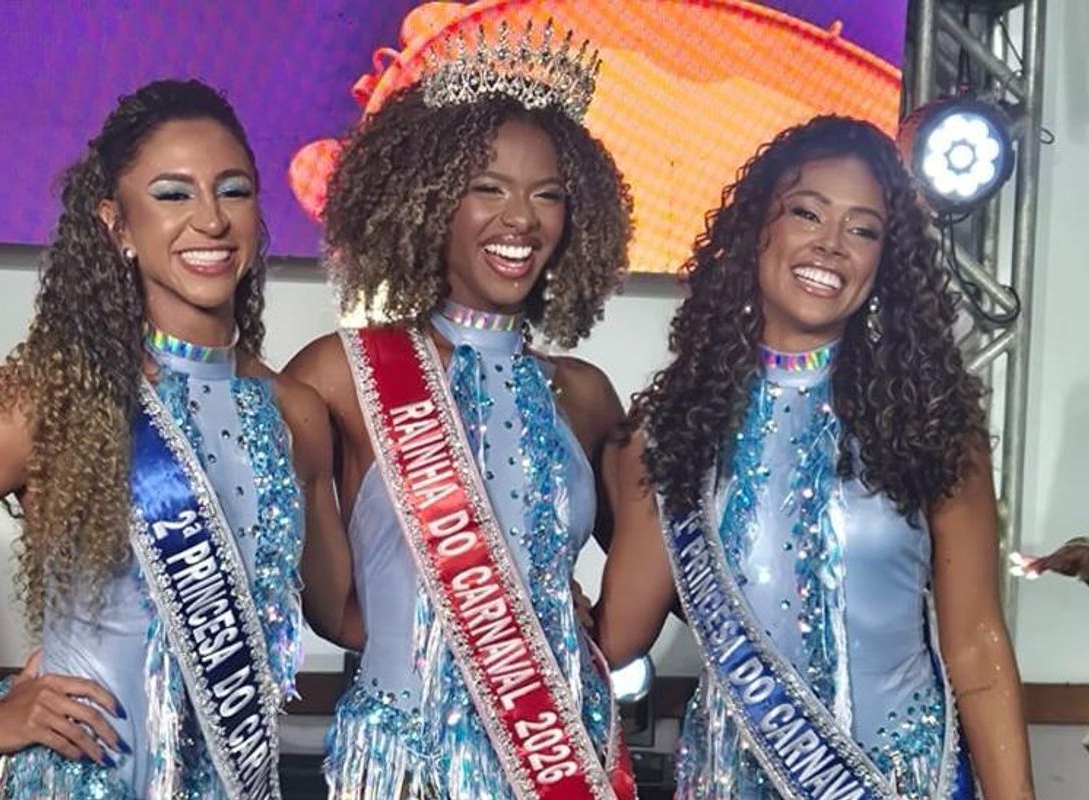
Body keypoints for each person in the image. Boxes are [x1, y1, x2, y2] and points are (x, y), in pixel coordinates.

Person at [0, 78, 333, 799]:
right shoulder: (59, 398)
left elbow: (340, 609)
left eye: (233, 190)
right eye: (172, 194)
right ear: (116, 224)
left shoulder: (296, 413)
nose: (211, 219)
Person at [595, 116, 1034, 798]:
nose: (831, 245)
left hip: (903, 779)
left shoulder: (931, 418)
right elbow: (619, 636)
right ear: (757, 231)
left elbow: (976, 648)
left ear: (886, 259)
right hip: (734, 779)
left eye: (863, 230)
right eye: (807, 213)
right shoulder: (676, 428)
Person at [282, 22, 637, 800]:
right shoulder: (342, 372)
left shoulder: (583, 393)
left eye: (548, 194)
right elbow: (323, 601)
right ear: (428, 201)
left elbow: (661, 576)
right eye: (489, 188)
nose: (522, 219)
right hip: (406, 768)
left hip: (557, 758)